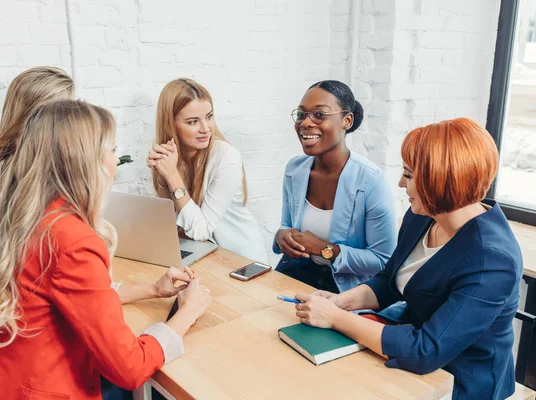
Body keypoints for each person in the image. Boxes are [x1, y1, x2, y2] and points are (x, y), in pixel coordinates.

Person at [0, 100, 212, 399]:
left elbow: (66, 300)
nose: (117, 162)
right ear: (87, 161)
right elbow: (129, 367)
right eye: (113, 151)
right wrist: (187, 313)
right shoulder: (73, 240)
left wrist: (153, 289)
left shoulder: (24, 216)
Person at [0, 67, 179, 354]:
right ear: (41, 118)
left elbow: (77, 286)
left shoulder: (19, 165)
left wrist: (153, 290)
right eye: (65, 111)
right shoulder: (24, 178)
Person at [292, 118, 521, 399]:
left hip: (459, 378)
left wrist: (336, 318)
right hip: (409, 345)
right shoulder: (421, 216)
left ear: (440, 180)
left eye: (409, 176)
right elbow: (389, 281)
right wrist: (341, 301)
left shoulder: (493, 261)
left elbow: (427, 350)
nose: (401, 183)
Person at [273, 80, 397, 293]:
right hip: (295, 275)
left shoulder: (371, 181)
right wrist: (281, 237)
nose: (306, 123)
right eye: (301, 115)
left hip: (345, 290)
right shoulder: (295, 169)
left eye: (319, 115)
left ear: (346, 120)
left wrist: (324, 250)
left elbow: (382, 259)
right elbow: (286, 224)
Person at [147, 78, 267, 263]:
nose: (206, 129)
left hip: (241, 261)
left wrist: (172, 176)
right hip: (206, 257)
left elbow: (201, 231)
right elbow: (168, 224)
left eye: (209, 117)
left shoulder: (226, 157)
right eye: (193, 121)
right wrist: (164, 176)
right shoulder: (169, 156)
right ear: (171, 124)